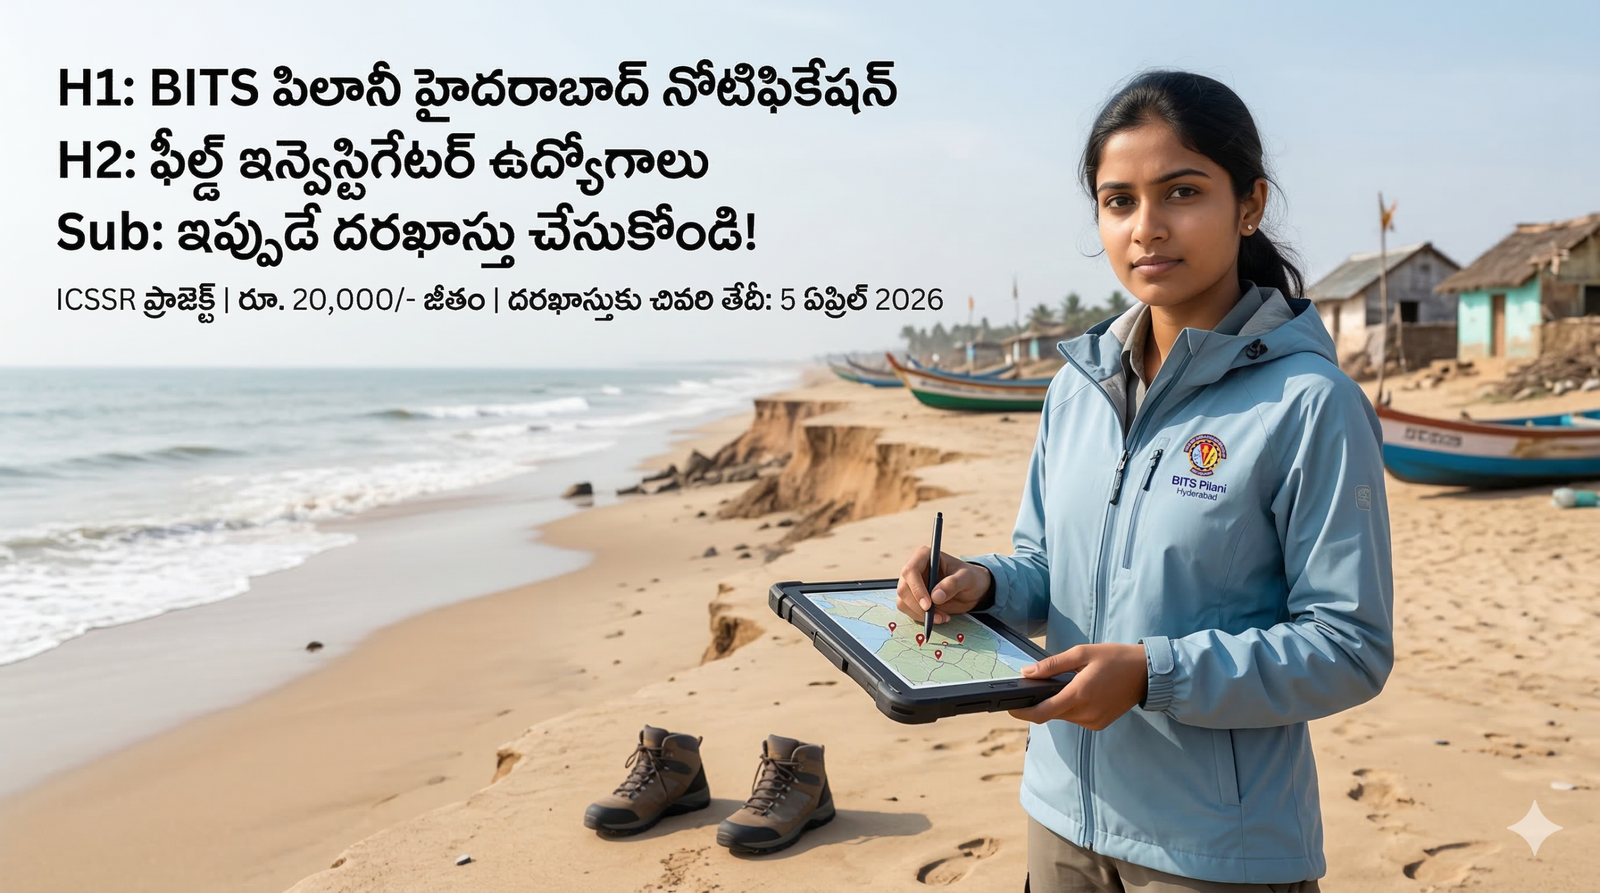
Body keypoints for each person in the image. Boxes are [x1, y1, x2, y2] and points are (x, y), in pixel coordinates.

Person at [896, 70, 1394, 892]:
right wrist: (980, 584)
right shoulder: (1077, 389)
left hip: (1218, 852)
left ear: (1249, 205)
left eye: (1182, 192)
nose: (1147, 228)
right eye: (1118, 200)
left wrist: (1153, 674)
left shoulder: (1309, 404)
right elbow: (1049, 569)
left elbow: (1348, 647)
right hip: (1057, 814)